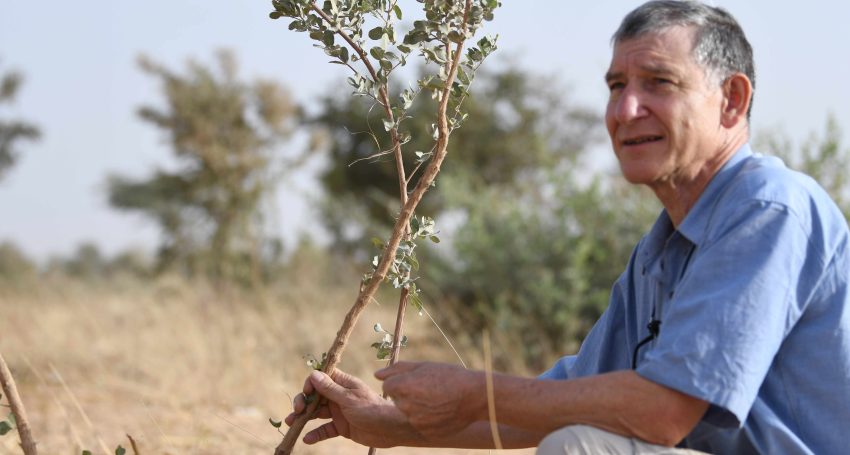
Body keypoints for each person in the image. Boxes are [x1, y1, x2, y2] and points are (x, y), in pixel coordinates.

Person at [286, 1, 850, 453]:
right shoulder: (659, 253)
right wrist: (386, 424)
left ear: (732, 100)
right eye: (615, 86)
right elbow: (553, 403)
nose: (625, 110)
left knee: (577, 446)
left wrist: (474, 393)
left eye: (659, 83)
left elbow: (663, 413)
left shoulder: (770, 209)